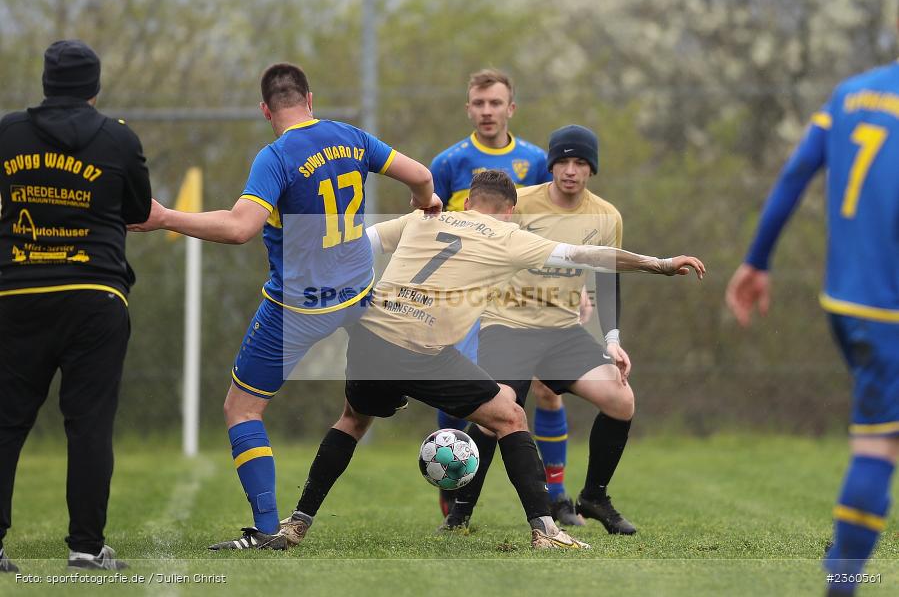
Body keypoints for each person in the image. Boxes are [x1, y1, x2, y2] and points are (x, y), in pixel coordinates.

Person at [277, 170, 705, 549]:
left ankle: (296, 523)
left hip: (372, 340)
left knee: (352, 419)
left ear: (467, 200)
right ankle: (545, 532)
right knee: (510, 416)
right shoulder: (508, 236)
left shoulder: (425, 216)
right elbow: (588, 256)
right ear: (510, 211)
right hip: (425, 352)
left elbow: (358, 243)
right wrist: (661, 264)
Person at [128, 62, 439, 550]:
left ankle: (270, 528)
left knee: (242, 410)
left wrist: (165, 216)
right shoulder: (350, 135)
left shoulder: (275, 157)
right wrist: (428, 202)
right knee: (392, 381)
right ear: (310, 99)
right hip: (358, 295)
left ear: (265, 109)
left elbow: (238, 228)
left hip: (299, 310)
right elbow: (420, 175)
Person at [725, 45, 899, 597]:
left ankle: (843, 555)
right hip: (891, 308)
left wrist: (756, 260)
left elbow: (797, 172)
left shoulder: (850, 93)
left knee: (885, 437)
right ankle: (840, 583)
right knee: (880, 446)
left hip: (847, 302)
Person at [442, 125, 640, 536]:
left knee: (621, 400)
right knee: (495, 413)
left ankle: (594, 497)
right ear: (550, 165)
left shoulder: (606, 216)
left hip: (563, 334)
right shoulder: (520, 204)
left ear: (591, 169)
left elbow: (608, 279)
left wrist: (613, 340)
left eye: (580, 162)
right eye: (562, 161)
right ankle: (460, 511)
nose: (570, 170)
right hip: (507, 326)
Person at [0, 40, 151, 571]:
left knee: (6, 421)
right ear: (94, 87)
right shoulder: (118, 139)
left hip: (16, 291)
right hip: (96, 295)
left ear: (45, 82)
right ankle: (86, 547)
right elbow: (137, 208)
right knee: (88, 425)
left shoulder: (8, 133)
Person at [429, 69, 582, 524]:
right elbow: (429, 228)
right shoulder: (448, 163)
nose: (487, 111)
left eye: (496, 103)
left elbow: (554, 225)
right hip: (460, 294)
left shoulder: (536, 161)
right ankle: (452, 486)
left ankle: (556, 496)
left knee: (545, 390)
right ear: (468, 108)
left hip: (519, 297)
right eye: (479, 103)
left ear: (511, 108)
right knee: (454, 393)